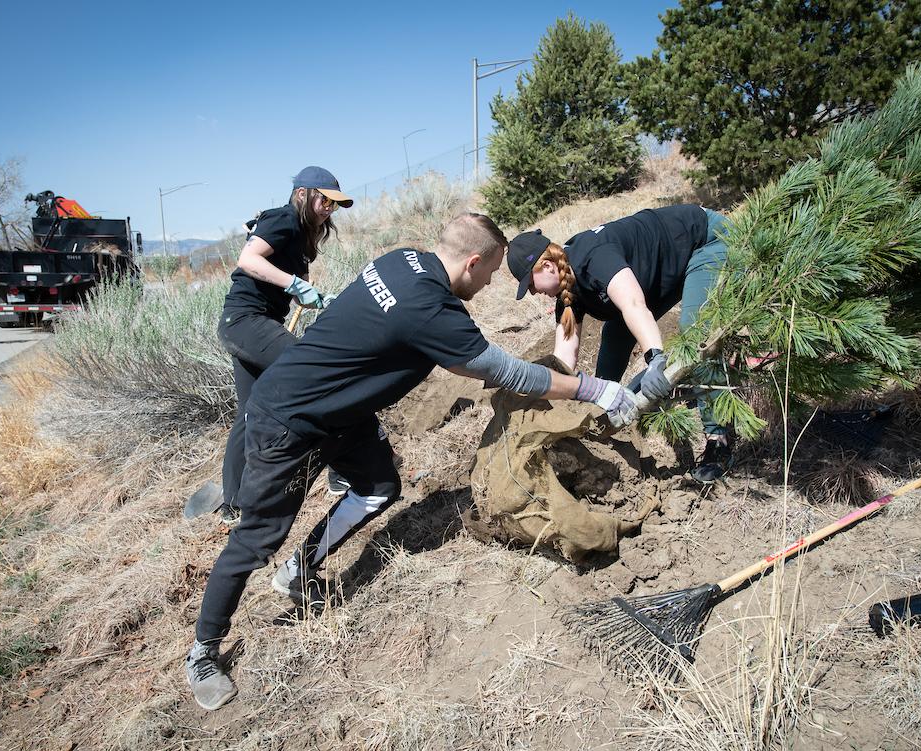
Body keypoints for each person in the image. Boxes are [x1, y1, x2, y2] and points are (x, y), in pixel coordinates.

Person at [186, 213, 640, 710]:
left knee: (379, 485)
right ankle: (203, 651)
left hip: (340, 412)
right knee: (255, 539)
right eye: (489, 272)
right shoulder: (431, 311)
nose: (490, 283)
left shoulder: (402, 261)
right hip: (287, 422)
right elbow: (507, 372)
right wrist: (597, 389)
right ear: (473, 262)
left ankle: (301, 569)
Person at [507, 204, 732, 484]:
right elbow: (563, 358)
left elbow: (634, 304)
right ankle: (602, 419)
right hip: (664, 271)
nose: (532, 292)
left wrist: (655, 359)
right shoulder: (566, 292)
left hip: (703, 241)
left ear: (548, 266)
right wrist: (557, 404)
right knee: (614, 335)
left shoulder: (593, 258)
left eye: (530, 284)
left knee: (696, 335)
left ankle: (718, 438)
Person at [215, 166, 354, 520]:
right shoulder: (282, 219)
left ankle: (233, 505)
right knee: (318, 376)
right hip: (248, 321)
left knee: (249, 412)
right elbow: (248, 260)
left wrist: (322, 298)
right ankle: (344, 470)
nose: (328, 209)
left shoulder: (304, 236)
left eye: (334, 205)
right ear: (303, 194)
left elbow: (300, 295)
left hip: (249, 325)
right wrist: (295, 284)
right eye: (325, 200)